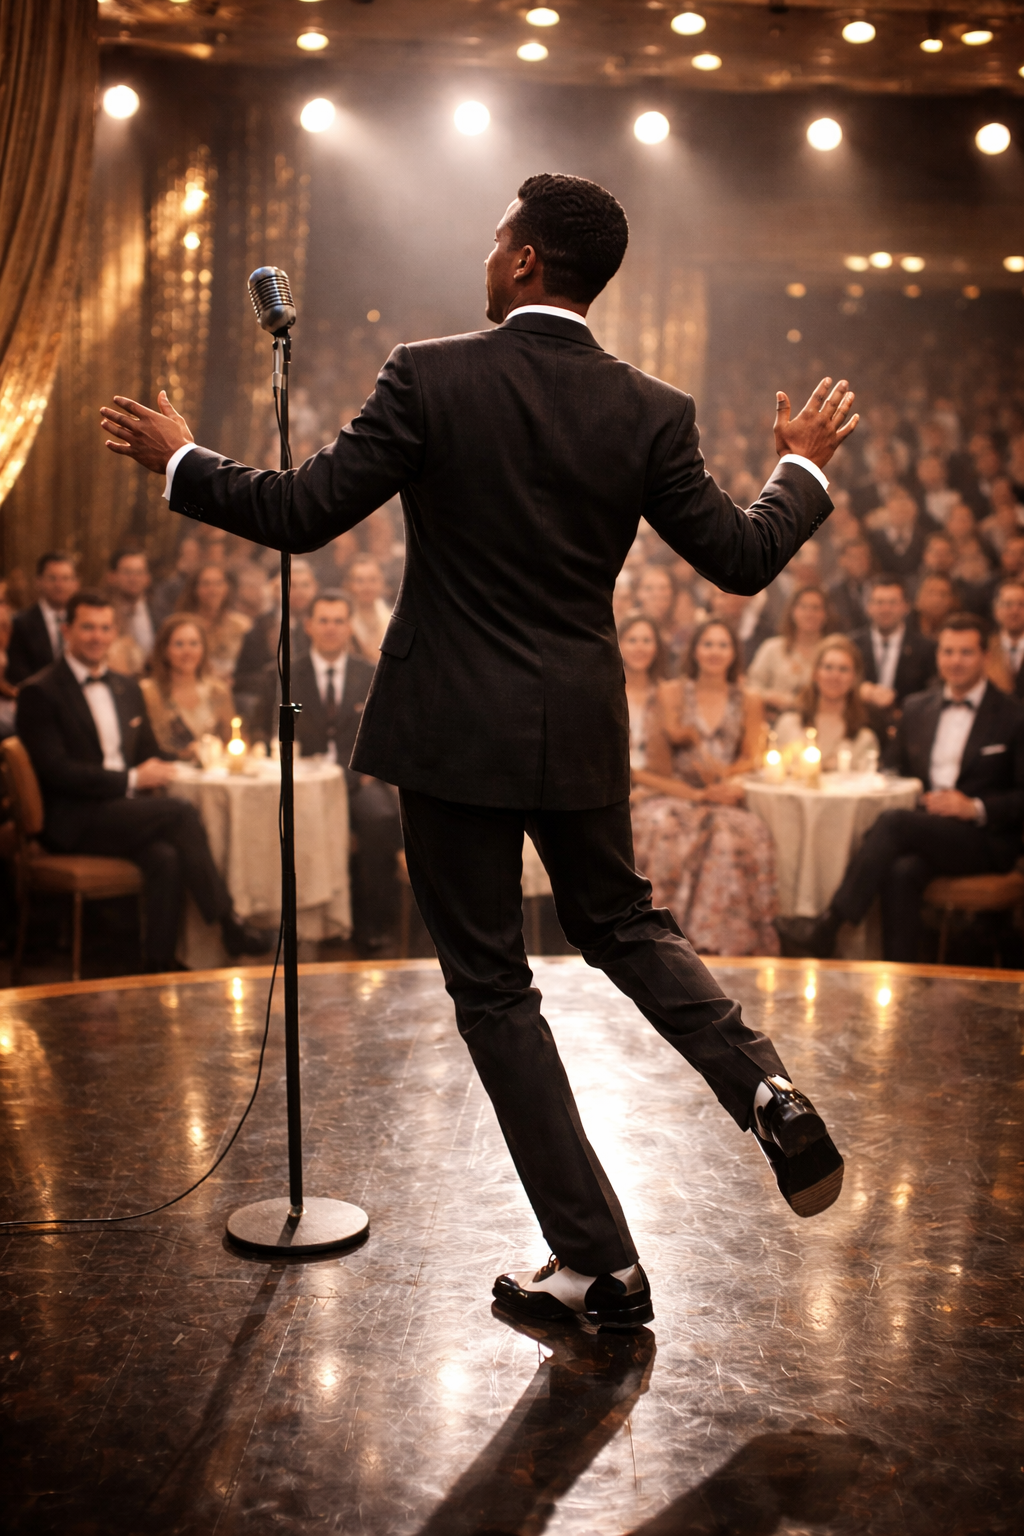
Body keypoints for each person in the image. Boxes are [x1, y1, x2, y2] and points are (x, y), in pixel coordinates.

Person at [102, 171, 855, 1331]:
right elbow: (743, 556)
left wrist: (186, 459)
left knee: (496, 990)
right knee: (624, 926)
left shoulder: (431, 373)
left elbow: (302, 511)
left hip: (451, 733)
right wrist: (799, 465)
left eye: (497, 236)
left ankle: (598, 1262)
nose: (486, 251)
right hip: (578, 726)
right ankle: (760, 1083)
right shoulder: (650, 407)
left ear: (522, 263)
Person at [15, 591, 272, 972]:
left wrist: (199, 759)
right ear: (67, 631)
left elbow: (152, 753)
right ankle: (228, 922)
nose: (96, 637)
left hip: (122, 813)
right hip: (71, 819)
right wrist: (132, 778)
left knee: (165, 858)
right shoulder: (41, 691)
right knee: (180, 812)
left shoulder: (125, 686)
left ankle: (158, 965)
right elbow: (56, 772)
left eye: (105, 629)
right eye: (87, 627)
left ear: (114, 633)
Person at [804, 613, 1024, 964]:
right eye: (948, 652)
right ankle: (899, 981)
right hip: (927, 831)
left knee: (894, 823)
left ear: (985, 656)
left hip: (985, 838)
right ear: (938, 656)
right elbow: (891, 770)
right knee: (901, 872)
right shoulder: (917, 707)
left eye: (965, 653)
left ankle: (829, 925)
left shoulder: (1013, 715)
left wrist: (975, 807)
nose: (955, 661)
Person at [260, 591, 403, 953]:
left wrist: (363, 774)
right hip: (303, 783)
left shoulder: (369, 672)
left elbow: (385, 731)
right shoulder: (286, 673)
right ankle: (295, 925)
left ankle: (373, 925)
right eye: (323, 620)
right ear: (308, 626)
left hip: (358, 778)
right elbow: (273, 733)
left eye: (339, 621)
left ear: (349, 626)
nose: (331, 628)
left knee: (380, 817)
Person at [628, 617, 780, 957]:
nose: (714, 652)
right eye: (707, 644)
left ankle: (720, 942)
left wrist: (724, 781)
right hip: (673, 791)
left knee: (737, 834)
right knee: (665, 826)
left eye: (723, 645)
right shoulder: (671, 693)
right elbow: (653, 769)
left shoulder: (749, 698)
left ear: (734, 652)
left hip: (722, 792)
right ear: (694, 650)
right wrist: (696, 791)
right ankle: (661, 939)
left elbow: (752, 757)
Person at [775, 636, 879, 770]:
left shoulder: (864, 738)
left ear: (854, 677)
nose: (835, 676)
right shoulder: (788, 725)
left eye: (843, 669)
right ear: (815, 673)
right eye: (828, 667)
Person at [140, 615, 234, 758]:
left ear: (203, 648)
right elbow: (146, 747)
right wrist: (186, 754)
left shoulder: (218, 690)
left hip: (213, 773)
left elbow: (231, 740)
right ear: (165, 650)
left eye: (194, 644)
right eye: (179, 644)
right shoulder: (148, 692)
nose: (187, 652)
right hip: (166, 773)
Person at [852, 579, 935, 714]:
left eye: (893, 603)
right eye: (879, 602)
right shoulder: (852, 645)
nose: (886, 609)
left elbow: (931, 692)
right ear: (868, 607)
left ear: (906, 606)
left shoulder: (926, 649)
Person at [747, 585, 831, 716]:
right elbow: (752, 686)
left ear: (825, 614)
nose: (809, 614)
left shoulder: (833, 651)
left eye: (816, 608)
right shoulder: (772, 648)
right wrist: (772, 697)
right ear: (792, 611)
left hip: (820, 718)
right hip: (775, 719)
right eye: (803, 607)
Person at [7, 552, 79, 685]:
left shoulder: (83, 621)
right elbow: (17, 672)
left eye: (66, 578)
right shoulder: (21, 623)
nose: (59, 585)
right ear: (38, 582)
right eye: (52, 578)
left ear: (76, 583)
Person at [179, 563, 251, 683]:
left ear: (227, 588)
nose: (213, 590)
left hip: (237, 687)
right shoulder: (182, 626)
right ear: (194, 589)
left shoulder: (242, 625)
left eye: (218, 583)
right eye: (206, 584)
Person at [105, 549, 157, 676]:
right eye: (127, 572)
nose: (133, 579)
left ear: (147, 578)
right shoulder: (102, 614)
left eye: (139, 573)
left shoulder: (161, 612)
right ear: (112, 576)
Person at [345, 555, 393, 662]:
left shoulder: (393, 617)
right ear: (349, 584)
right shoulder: (342, 619)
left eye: (373, 580)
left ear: (382, 582)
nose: (367, 587)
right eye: (360, 580)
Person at [151, 533, 203, 625]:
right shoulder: (169, 583)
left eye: (193, 553)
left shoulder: (203, 582)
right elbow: (160, 612)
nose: (189, 558)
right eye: (186, 553)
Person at [986, 579, 1024, 700]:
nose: (1015, 611)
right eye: (1008, 604)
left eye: (1021, 604)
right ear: (996, 610)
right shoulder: (985, 647)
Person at [827, 538, 872, 634]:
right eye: (855, 557)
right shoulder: (833, 593)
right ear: (842, 561)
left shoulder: (878, 587)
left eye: (864, 556)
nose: (860, 562)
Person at [910, 572, 958, 641]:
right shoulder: (904, 628)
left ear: (952, 600)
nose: (937, 600)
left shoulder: (959, 630)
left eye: (943, 594)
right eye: (931, 593)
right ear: (918, 599)